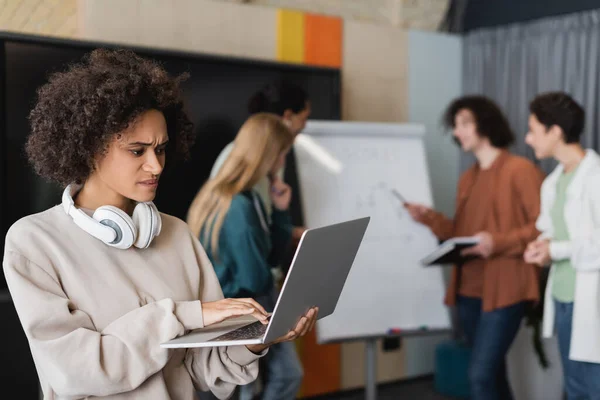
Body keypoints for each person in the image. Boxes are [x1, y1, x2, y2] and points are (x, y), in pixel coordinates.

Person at [2, 49, 317, 400]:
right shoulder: (34, 242)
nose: (156, 166)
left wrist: (260, 340)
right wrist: (185, 315)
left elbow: (206, 369)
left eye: (161, 149)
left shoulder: (177, 235)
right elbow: (80, 372)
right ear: (91, 148)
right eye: (137, 151)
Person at [405, 95, 544, 400]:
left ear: (486, 122)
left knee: (479, 376)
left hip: (506, 290)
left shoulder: (520, 170)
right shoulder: (468, 178)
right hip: (468, 292)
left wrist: (498, 243)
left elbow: (542, 227)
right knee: (492, 374)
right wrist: (428, 218)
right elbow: (461, 233)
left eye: (464, 123)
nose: (458, 132)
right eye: (455, 126)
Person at [187, 113, 307, 400]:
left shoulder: (247, 196)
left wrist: (280, 211)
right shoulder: (238, 206)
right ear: (269, 153)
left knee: (249, 384)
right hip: (241, 307)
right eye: (283, 153)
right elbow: (256, 275)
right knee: (283, 375)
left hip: (242, 304)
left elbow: (271, 258)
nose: (283, 161)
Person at [524, 92, 600, 399]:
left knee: (591, 387)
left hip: (591, 301)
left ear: (555, 131)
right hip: (563, 297)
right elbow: (550, 230)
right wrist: (542, 246)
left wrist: (556, 250)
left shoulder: (595, 177)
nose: (528, 139)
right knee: (574, 386)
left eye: (533, 130)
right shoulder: (552, 182)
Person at [211, 80, 311, 244]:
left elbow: (263, 226)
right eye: (304, 118)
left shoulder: (269, 163)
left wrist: (286, 228)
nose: (305, 125)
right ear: (287, 117)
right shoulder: (238, 161)